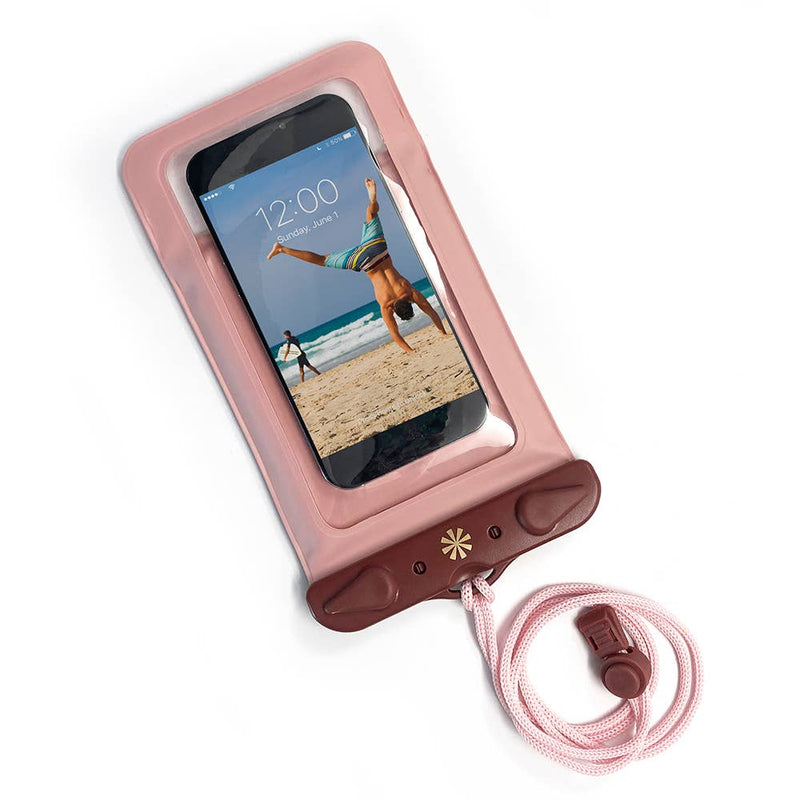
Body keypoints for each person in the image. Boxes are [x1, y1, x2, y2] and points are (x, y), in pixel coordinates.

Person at [267, 178, 448, 354]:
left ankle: (372, 200)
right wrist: (413, 348)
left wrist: (442, 332)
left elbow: (430, 311)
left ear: (408, 302)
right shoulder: (386, 305)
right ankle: (283, 249)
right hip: (362, 262)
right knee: (322, 259)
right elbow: (395, 333)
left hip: (377, 250)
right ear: (394, 310)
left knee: (371, 214)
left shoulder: (407, 290)